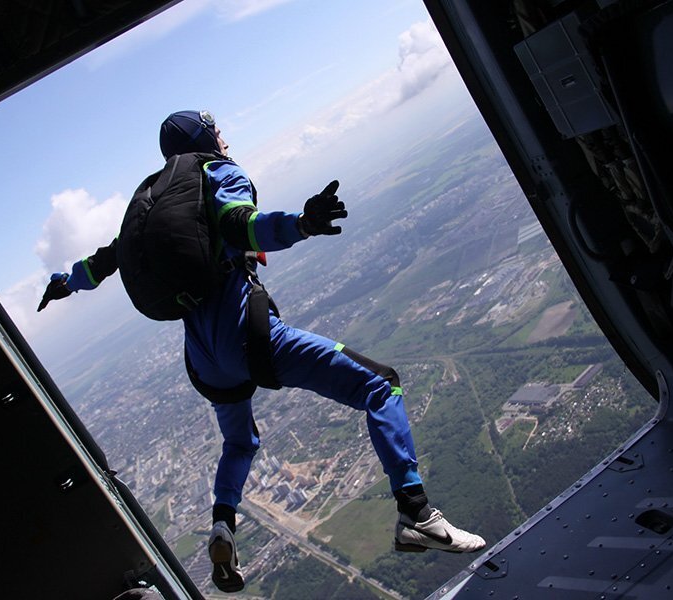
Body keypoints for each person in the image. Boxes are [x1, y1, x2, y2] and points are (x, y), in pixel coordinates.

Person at [39, 110, 486, 593]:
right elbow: (240, 224)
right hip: (245, 334)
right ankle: (415, 513)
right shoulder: (216, 171)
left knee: (240, 443)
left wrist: (65, 283)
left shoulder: (150, 203)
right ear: (204, 136)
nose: (224, 138)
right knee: (380, 384)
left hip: (201, 356)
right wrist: (302, 224)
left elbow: (103, 262)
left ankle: (222, 524)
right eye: (216, 130)